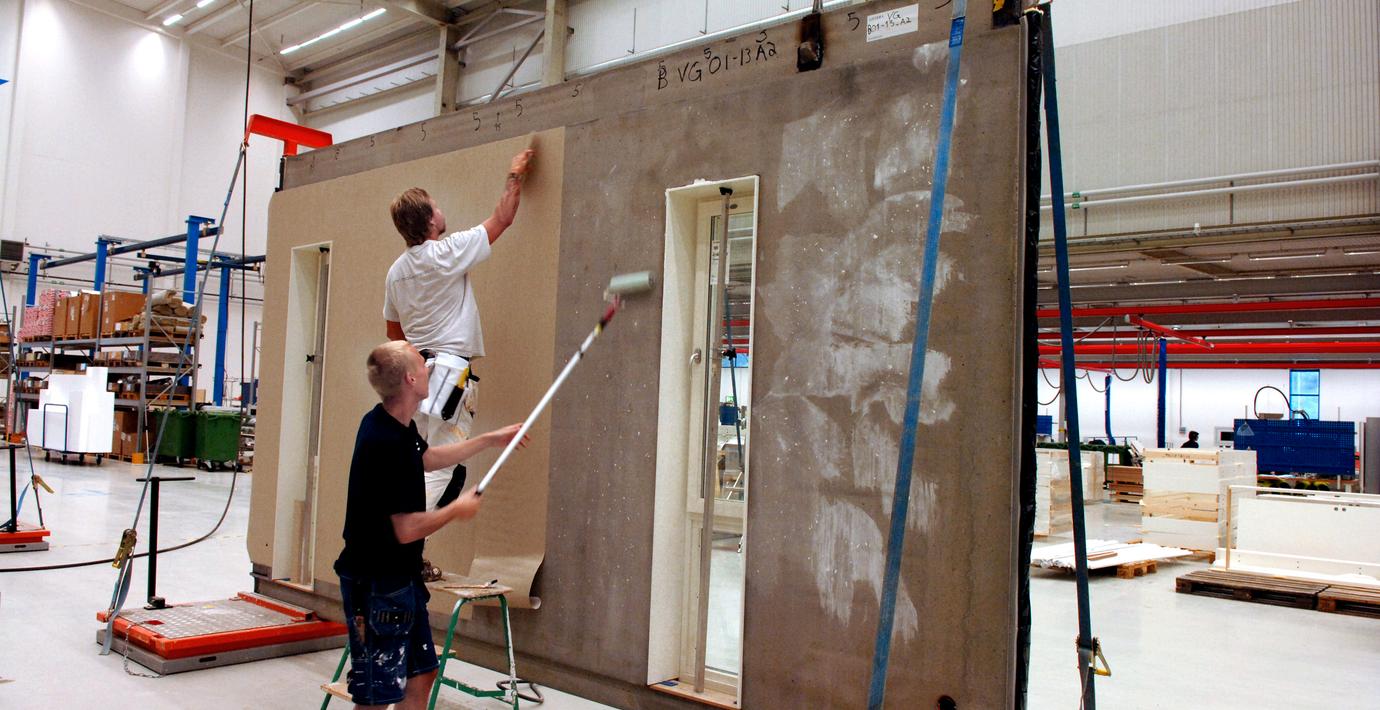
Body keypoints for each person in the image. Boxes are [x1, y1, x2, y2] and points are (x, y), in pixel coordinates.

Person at [334, 340, 526, 709]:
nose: (428, 368)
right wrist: (456, 509)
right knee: (376, 695)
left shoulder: (391, 422)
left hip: (400, 579)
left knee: (421, 675)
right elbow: (406, 529)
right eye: (422, 364)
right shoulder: (384, 440)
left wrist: (490, 440)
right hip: (377, 585)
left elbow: (427, 457)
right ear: (410, 379)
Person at [384, 148, 535, 514]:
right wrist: (515, 175)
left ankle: (404, 534)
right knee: (443, 467)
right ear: (429, 221)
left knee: (417, 460)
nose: (441, 211)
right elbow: (503, 218)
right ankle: (404, 535)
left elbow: (394, 333)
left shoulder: (396, 273)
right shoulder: (446, 253)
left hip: (416, 378)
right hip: (451, 375)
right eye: (436, 207)